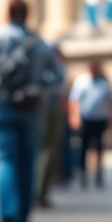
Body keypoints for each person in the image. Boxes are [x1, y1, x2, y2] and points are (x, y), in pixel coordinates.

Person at [0, 0, 62, 222]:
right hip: (31, 110)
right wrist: (39, 89)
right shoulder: (40, 43)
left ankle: (7, 213)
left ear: (7, 13)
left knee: (6, 160)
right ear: (27, 14)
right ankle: (23, 218)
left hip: (3, 108)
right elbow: (59, 76)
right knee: (28, 161)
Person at [69, 60, 112, 189]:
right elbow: (74, 100)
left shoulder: (104, 83)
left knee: (99, 147)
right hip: (85, 119)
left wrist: (111, 117)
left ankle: (98, 173)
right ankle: (83, 173)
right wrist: (73, 116)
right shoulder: (81, 82)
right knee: (83, 147)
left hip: (100, 119)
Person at [35, 53, 71, 209]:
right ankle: (40, 193)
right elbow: (60, 93)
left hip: (37, 110)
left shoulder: (39, 65)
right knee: (48, 152)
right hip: (51, 112)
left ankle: (36, 192)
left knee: (39, 152)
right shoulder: (57, 69)